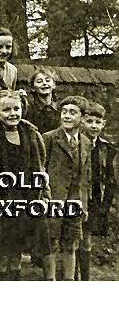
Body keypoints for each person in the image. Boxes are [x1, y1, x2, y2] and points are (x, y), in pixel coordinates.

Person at [0, 90, 52, 281]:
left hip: (27, 198)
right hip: (2, 198)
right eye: (6, 109)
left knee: (17, 249)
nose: (12, 113)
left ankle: (15, 279)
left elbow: (41, 165)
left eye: (16, 108)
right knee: (0, 250)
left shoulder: (31, 134)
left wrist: (44, 193)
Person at [42, 95, 92, 281]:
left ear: (83, 118)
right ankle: (51, 280)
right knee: (51, 243)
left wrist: (83, 205)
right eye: (64, 112)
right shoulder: (49, 138)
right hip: (53, 200)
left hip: (74, 202)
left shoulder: (85, 143)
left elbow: (85, 178)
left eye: (73, 112)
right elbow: (41, 171)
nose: (67, 116)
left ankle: (69, 281)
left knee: (70, 243)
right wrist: (44, 199)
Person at [75, 100, 118, 280]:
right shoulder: (77, 143)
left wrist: (105, 204)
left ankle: (85, 278)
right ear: (82, 121)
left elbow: (110, 179)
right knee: (73, 238)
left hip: (95, 199)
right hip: (77, 196)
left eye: (97, 122)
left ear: (103, 124)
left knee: (87, 239)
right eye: (89, 121)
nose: (93, 126)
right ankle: (71, 275)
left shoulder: (107, 149)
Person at [25, 67, 60, 134]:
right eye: (39, 81)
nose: (44, 83)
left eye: (47, 80)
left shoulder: (60, 109)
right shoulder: (29, 110)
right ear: (33, 88)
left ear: (54, 85)